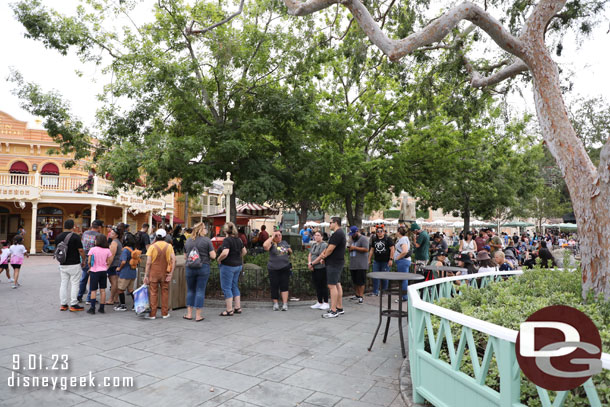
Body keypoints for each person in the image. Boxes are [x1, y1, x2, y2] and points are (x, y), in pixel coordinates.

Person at [183, 223, 216, 321]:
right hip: (203, 267)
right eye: (205, 228)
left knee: (190, 290)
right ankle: (198, 316)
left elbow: (185, 256)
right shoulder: (207, 241)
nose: (206, 230)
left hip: (190, 268)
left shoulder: (188, 241)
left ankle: (189, 314)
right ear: (201, 230)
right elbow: (213, 256)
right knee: (200, 290)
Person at [143, 228, 176, 319]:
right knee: (165, 292)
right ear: (165, 237)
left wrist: (146, 275)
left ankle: (152, 314)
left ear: (156, 236)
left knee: (153, 293)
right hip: (165, 273)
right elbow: (174, 260)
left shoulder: (152, 247)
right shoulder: (169, 246)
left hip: (153, 273)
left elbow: (148, 262)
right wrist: (171, 273)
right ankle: (164, 313)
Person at [217, 222, 246, 316]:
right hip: (238, 265)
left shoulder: (227, 240)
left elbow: (225, 252)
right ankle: (238, 307)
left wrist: (219, 259)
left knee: (226, 287)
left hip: (228, 266)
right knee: (234, 285)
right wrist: (237, 257)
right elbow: (244, 251)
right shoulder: (239, 240)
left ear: (225, 230)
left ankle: (229, 310)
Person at [55, 220, 85, 311]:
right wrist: (83, 259)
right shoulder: (75, 236)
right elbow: (80, 250)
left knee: (63, 284)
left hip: (63, 263)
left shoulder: (58, 236)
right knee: (75, 284)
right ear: (73, 226)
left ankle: (63, 304)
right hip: (74, 263)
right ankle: (73, 304)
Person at [320, 217, 346, 318]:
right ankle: (339, 308)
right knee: (337, 284)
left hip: (334, 263)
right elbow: (328, 248)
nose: (329, 225)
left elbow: (330, 249)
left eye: (330, 223)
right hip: (336, 262)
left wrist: (324, 256)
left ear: (336, 223)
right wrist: (324, 256)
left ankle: (333, 310)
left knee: (332, 286)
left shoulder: (337, 233)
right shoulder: (339, 233)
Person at [263, 229, 293, 311]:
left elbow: (290, 251)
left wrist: (289, 250)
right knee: (274, 286)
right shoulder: (271, 244)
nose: (279, 237)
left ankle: (284, 304)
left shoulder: (284, 243)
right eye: (277, 235)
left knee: (284, 286)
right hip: (273, 268)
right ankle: (275, 304)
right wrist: (272, 237)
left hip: (284, 267)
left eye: (280, 235)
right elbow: (265, 246)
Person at [86, 234, 114, 314]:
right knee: (103, 290)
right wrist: (105, 268)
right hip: (103, 271)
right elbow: (108, 262)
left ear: (97, 241)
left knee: (93, 290)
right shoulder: (107, 250)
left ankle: (92, 308)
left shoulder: (92, 249)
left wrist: (90, 268)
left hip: (94, 271)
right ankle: (101, 308)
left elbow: (89, 261)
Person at [78, 219, 103, 303]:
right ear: (99, 227)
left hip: (84, 257)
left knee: (84, 277)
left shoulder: (85, 233)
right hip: (94, 258)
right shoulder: (99, 235)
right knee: (93, 278)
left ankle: (79, 295)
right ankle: (89, 298)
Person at [367, 225, 394, 296]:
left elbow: (392, 249)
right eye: (378, 231)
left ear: (384, 232)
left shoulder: (388, 239)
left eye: (381, 231)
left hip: (386, 261)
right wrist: (369, 259)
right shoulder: (374, 239)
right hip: (377, 261)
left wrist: (391, 259)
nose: (379, 233)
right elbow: (372, 250)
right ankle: (375, 291)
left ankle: (384, 291)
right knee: (375, 276)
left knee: (385, 277)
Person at [114, 233, 139, 312]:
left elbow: (123, 261)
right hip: (132, 272)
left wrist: (119, 268)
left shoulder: (125, 250)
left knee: (120, 289)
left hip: (125, 273)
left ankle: (122, 305)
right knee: (131, 289)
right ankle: (136, 304)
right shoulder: (133, 249)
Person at [348, 227, 369, 304]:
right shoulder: (351, 239)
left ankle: (361, 296)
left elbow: (366, 249)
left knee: (361, 281)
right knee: (355, 281)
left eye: (353, 234)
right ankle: (357, 294)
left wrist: (355, 248)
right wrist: (350, 248)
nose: (352, 236)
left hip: (361, 264)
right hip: (353, 263)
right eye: (351, 234)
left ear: (357, 232)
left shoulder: (363, 239)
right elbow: (350, 248)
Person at [308, 231, 329, 310]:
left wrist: (312, 264)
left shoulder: (324, 245)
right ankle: (319, 301)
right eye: (315, 235)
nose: (316, 237)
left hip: (321, 268)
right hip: (314, 268)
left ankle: (326, 302)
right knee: (317, 285)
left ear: (322, 237)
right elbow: (310, 254)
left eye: (318, 235)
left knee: (323, 285)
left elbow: (321, 256)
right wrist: (310, 263)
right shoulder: (313, 244)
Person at [394, 226, 412, 302]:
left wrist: (397, 257)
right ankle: (404, 296)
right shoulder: (405, 238)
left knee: (403, 279)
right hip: (404, 261)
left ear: (399, 232)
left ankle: (404, 296)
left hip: (402, 261)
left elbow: (404, 251)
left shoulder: (403, 239)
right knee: (404, 279)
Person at [106, 227, 123, 306]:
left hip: (113, 264)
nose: (110, 234)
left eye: (112, 233)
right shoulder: (118, 242)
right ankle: (115, 298)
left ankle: (111, 299)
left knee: (113, 282)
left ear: (116, 235)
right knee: (115, 281)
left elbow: (112, 255)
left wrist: (108, 265)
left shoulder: (114, 242)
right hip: (117, 263)